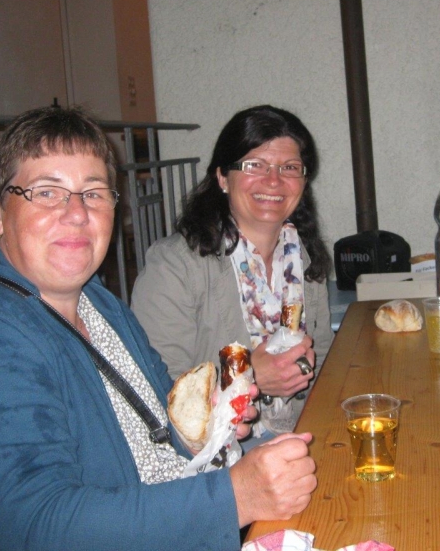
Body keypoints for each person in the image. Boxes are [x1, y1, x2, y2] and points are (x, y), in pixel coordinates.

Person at [0, 107, 317, 550]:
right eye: (47, 192)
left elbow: (159, 430)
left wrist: (210, 425)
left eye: (93, 193)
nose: (76, 213)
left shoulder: (99, 304)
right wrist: (236, 497)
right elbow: (39, 527)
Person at [132, 104, 333, 444]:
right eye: (254, 165)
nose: (273, 180)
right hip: (219, 455)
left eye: (289, 167)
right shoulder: (173, 266)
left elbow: (325, 359)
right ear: (223, 177)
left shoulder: (304, 258)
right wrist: (249, 376)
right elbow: (155, 389)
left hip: (301, 432)